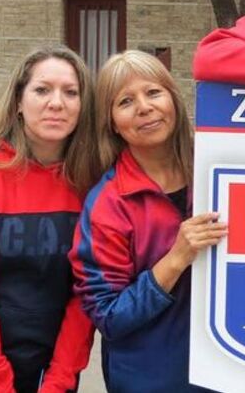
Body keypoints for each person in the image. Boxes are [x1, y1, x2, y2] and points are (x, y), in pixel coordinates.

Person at [70, 50, 227, 392]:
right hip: (150, 379)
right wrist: (175, 259)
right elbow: (110, 316)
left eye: (154, 92)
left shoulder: (222, 168)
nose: (144, 107)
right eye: (125, 101)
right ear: (111, 121)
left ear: (173, 98)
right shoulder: (108, 203)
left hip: (230, 371)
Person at [0, 46, 98, 392]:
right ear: (18, 101)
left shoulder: (89, 181)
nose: (56, 102)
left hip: (50, 374)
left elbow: (86, 292)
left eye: (71, 92)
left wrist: (60, 380)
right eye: (42, 89)